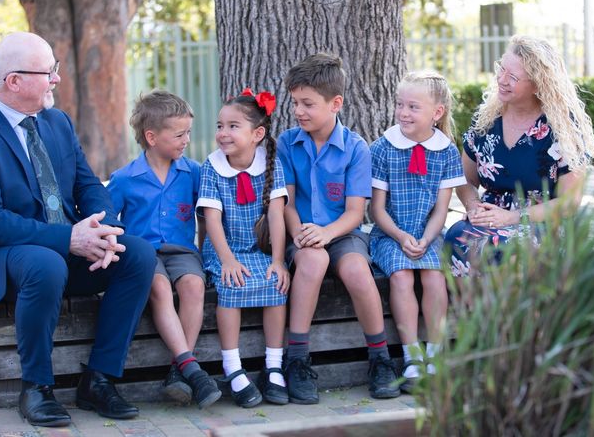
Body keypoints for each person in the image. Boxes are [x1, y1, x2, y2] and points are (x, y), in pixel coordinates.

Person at [0, 32, 156, 427]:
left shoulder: (56, 121)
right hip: (4, 258)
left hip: (64, 251)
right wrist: (70, 239)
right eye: (49, 72)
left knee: (138, 255)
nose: (57, 79)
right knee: (46, 264)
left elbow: (87, 185)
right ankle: (36, 388)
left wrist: (104, 228)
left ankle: (98, 379)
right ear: (14, 82)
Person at [277, 53, 400, 403]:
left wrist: (327, 234)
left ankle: (380, 359)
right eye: (295, 103)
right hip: (299, 232)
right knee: (313, 262)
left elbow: (355, 212)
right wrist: (301, 232)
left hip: (342, 233)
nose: (299, 111)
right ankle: (296, 359)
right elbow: (286, 201)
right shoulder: (287, 143)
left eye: (307, 104)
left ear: (336, 103)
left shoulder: (355, 148)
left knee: (358, 271)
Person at [445, 35, 594, 275]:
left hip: (541, 221)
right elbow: (464, 179)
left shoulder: (563, 129)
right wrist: (474, 206)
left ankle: (513, 313)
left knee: (505, 247)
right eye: (501, 69)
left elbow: (569, 202)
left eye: (513, 77)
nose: (502, 80)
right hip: (492, 215)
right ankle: (475, 311)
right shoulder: (486, 120)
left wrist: (511, 217)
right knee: (456, 237)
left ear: (538, 84)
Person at [106, 91, 221, 408]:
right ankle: (191, 368)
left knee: (194, 286)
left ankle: (178, 370)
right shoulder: (124, 179)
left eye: (188, 132)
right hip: (143, 255)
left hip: (183, 253)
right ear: (152, 136)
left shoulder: (193, 172)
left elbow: (208, 216)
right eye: (179, 134)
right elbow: (107, 222)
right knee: (158, 285)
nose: (187, 140)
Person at [369, 70, 466, 392]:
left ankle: (435, 354)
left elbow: (442, 209)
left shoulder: (447, 152)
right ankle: (412, 355)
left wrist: (426, 238)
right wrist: (400, 236)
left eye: (413, 107)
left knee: (435, 276)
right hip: (389, 234)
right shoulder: (382, 148)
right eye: (400, 105)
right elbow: (377, 209)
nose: (403, 113)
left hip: (429, 233)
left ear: (437, 113)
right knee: (401, 276)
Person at [197, 88, 290, 408]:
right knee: (231, 284)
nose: (223, 133)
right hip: (222, 251)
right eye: (220, 125)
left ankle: (274, 365)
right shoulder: (211, 167)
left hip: (259, 251)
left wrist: (278, 260)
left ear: (257, 134)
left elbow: (277, 217)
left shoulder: (271, 164)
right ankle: (233, 368)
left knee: (276, 283)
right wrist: (226, 260)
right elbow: (211, 221)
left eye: (233, 126)